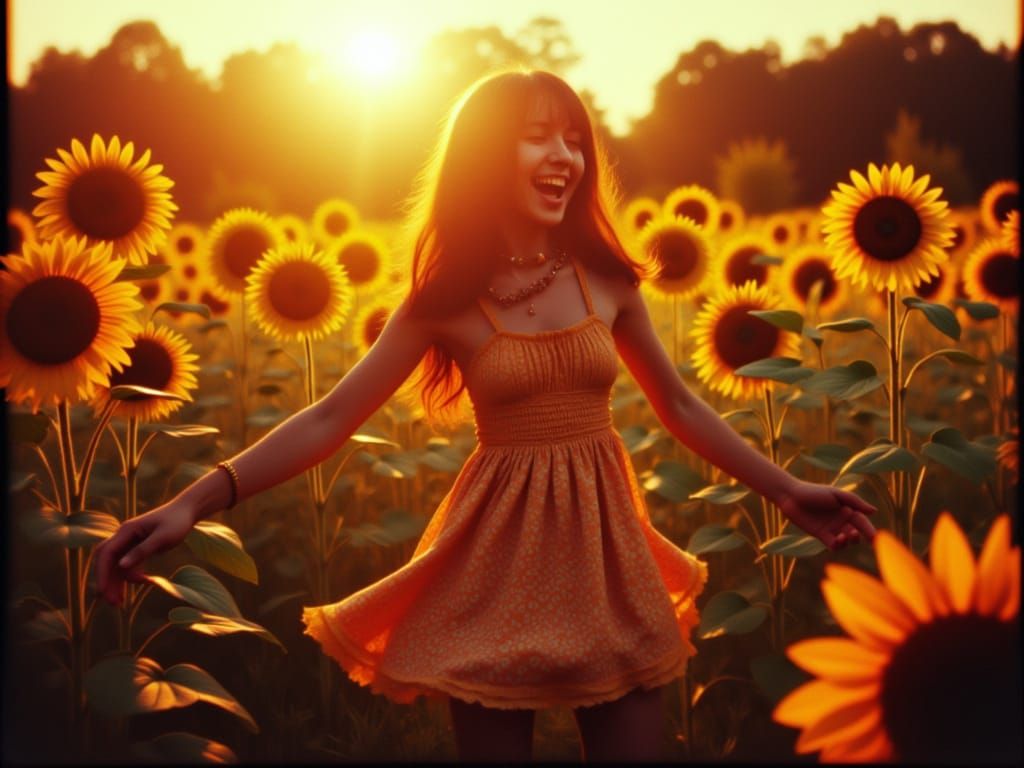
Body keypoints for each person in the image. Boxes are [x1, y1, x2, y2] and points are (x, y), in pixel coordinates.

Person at [94, 68, 878, 763]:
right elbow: (329, 419)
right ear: (484, 155)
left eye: (574, 138)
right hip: (494, 566)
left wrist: (786, 491)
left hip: (608, 557)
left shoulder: (609, 279)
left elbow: (677, 404)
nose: (564, 157)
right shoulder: (444, 302)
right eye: (537, 138)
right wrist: (192, 501)